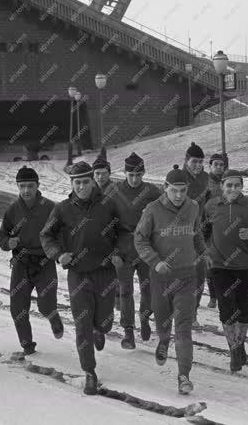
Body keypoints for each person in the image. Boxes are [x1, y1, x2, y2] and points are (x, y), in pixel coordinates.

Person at [40, 161, 123, 395]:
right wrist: (58, 255)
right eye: (77, 183)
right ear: (71, 183)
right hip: (78, 274)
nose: (82, 187)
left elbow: (124, 232)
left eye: (86, 182)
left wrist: (119, 253)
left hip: (105, 271)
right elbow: (46, 235)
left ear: (93, 182)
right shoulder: (62, 209)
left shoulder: (108, 205)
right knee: (82, 324)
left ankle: (101, 330)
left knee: (104, 323)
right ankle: (89, 372)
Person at [134, 164, 210, 395]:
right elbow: (140, 239)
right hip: (161, 277)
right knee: (163, 322)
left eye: (183, 190)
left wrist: (203, 253)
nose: (179, 196)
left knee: (184, 328)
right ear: (165, 188)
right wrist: (155, 261)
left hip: (187, 276)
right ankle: (163, 340)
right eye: (174, 190)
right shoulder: (152, 210)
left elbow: (196, 234)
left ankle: (183, 376)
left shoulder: (194, 207)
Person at [204, 169, 248, 371]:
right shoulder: (211, 206)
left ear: (242, 187)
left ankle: (240, 344)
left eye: (237, 185)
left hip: (244, 267)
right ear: (222, 186)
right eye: (229, 185)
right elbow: (203, 232)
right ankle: (234, 350)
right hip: (220, 267)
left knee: (245, 311)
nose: (233, 189)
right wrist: (207, 253)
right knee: (227, 310)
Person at [0, 166, 63, 355]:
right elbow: (2, 237)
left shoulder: (51, 208)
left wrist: (59, 252)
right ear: (18, 186)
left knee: (46, 304)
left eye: (30, 186)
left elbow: (62, 234)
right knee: (17, 306)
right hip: (21, 263)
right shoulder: (12, 210)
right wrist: (8, 243)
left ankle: (53, 317)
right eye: (22, 186)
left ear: (37, 186)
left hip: (44, 262)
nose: (26, 190)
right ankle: (27, 344)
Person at [111, 152, 162, 349]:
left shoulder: (152, 192)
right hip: (122, 247)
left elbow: (163, 217)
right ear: (124, 173)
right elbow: (106, 224)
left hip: (146, 247)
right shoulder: (114, 191)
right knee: (125, 291)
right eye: (130, 175)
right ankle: (128, 331)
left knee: (147, 288)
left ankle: (144, 319)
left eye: (138, 175)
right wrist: (112, 252)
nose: (134, 179)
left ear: (144, 173)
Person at [182, 142, 211, 325]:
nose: (198, 165)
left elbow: (207, 201)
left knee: (200, 273)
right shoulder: (178, 177)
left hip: (197, 229)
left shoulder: (205, 178)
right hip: (177, 231)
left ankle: (192, 313)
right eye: (194, 161)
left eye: (201, 161)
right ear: (186, 161)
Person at [92, 147, 121, 311]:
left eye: (103, 173)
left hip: (112, 234)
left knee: (114, 269)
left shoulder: (116, 190)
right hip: (94, 237)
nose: (100, 177)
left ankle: (117, 298)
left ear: (109, 173)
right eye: (97, 174)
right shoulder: (89, 189)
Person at [204, 152, 227, 309]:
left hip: (227, 226)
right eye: (215, 164)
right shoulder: (206, 183)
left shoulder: (228, 182)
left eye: (221, 165)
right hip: (209, 227)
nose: (218, 167)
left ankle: (225, 293)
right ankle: (213, 296)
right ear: (210, 166)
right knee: (210, 262)